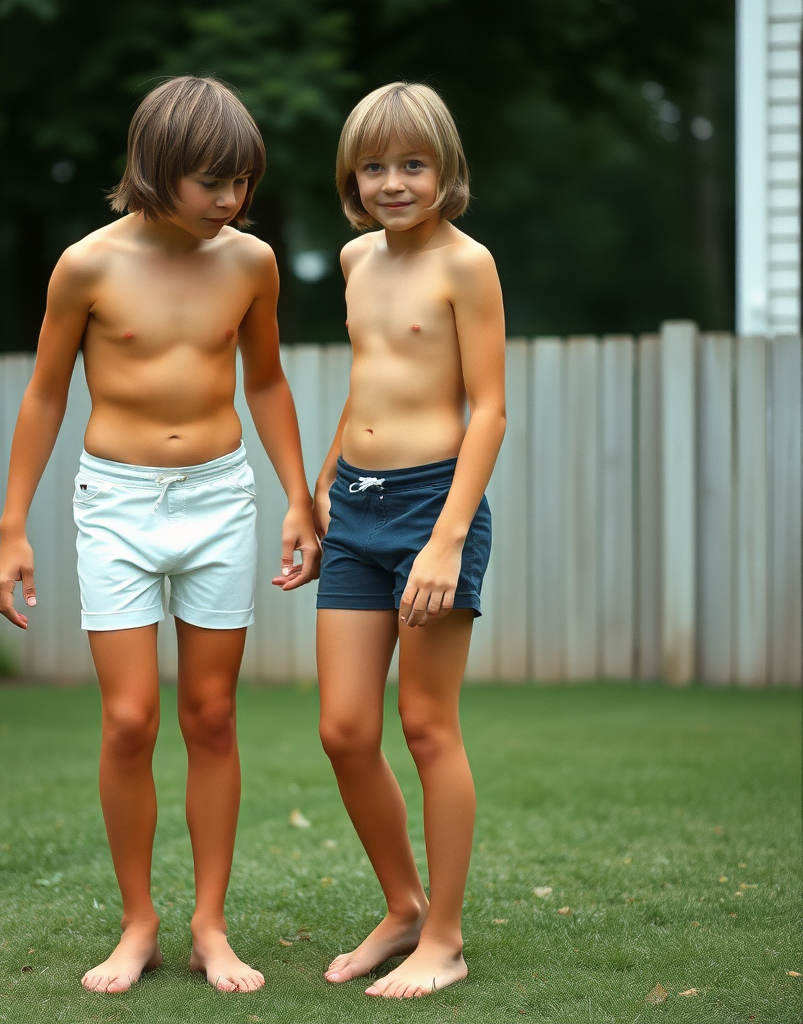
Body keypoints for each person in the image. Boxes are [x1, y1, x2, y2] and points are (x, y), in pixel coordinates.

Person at [0, 76, 320, 995]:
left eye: (243, 183)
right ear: (158, 170)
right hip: (117, 506)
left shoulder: (249, 264)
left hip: (222, 498)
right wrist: (13, 525)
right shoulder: (86, 266)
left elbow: (265, 384)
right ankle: (138, 924)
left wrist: (298, 496)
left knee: (211, 717)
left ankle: (210, 926)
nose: (233, 201)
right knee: (130, 719)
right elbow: (46, 392)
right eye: (215, 182)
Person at [312, 82, 506, 999]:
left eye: (412, 164)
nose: (393, 182)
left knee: (427, 727)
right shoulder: (356, 259)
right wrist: (314, 493)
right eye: (375, 166)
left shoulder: (468, 265)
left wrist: (447, 538)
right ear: (354, 176)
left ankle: (445, 938)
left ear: (445, 169)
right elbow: (365, 381)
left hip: (434, 508)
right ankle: (400, 908)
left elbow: (491, 411)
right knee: (345, 730)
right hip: (353, 505)